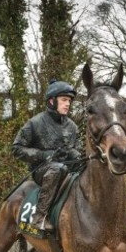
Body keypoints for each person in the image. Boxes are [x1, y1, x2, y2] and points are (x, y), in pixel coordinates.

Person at [12, 79, 83, 232]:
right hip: (42, 170)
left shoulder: (72, 126)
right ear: (51, 101)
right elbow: (16, 149)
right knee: (58, 169)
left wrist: (74, 153)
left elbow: (78, 148)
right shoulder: (35, 123)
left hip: (67, 169)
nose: (68, 104)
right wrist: (44, 154)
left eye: (69, 100)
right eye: (64, 100)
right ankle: (39, 217)